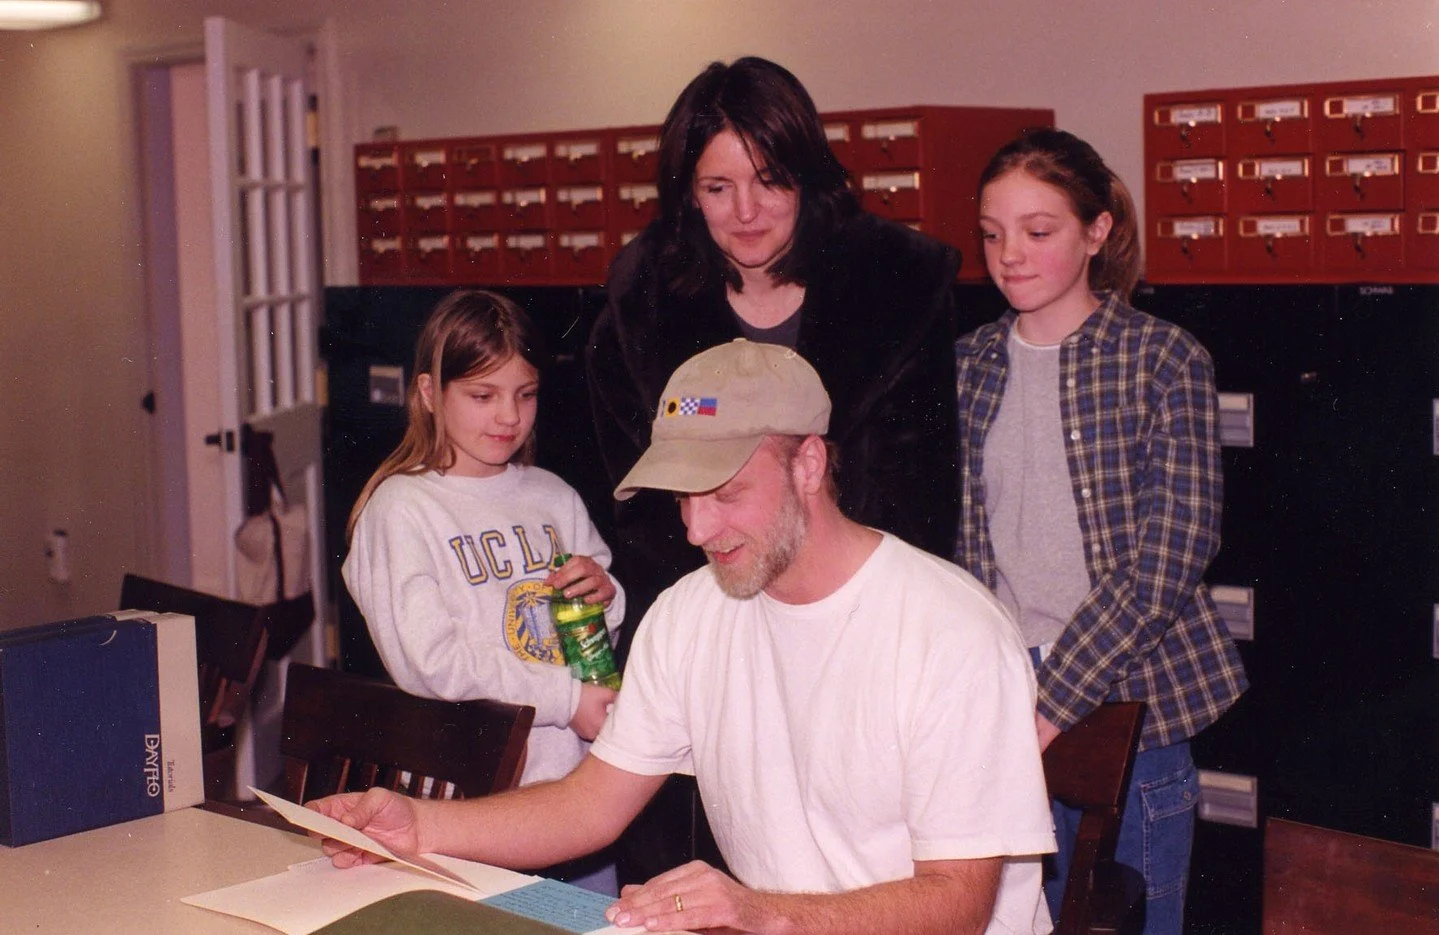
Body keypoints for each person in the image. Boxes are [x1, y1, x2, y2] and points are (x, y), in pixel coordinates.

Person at [315, 339, 1057, 935]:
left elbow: (959, 902)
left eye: (726, 493)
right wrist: (419, 824)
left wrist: (766, 913)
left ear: (808, 463)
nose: (697, 529)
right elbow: (589, 803)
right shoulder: (691, 612)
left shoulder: (948, 630)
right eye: (682, 498)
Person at [951, 128, 1248, 934]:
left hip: (1130, 696)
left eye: (1037, 231)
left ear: (1096, 231)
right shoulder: (968, 362)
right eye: (990, 233)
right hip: (1003, 692)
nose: (1009, 253)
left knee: (1128, 919)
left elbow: (1171, 553)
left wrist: (1047, 706)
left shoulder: (1161, 358)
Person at [588, 55, 961, 666]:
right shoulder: (638, 311)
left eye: (770, 180)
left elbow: (920, 505)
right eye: (718, 188)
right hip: (710, 627)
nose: (745, 212)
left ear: (808, 179)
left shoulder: (900, 293)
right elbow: (643, 521)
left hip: (865, 630)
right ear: (688, 196)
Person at [342, 289, 625, 892]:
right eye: (482, 395)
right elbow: (431, 663)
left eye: (525, 395)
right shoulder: (403, 508)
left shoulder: (553, 495)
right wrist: (565, 701)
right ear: (427, 394)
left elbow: (597, 630)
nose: (508, 417)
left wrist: (605, 595)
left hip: (574, 801)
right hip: (469, 809)